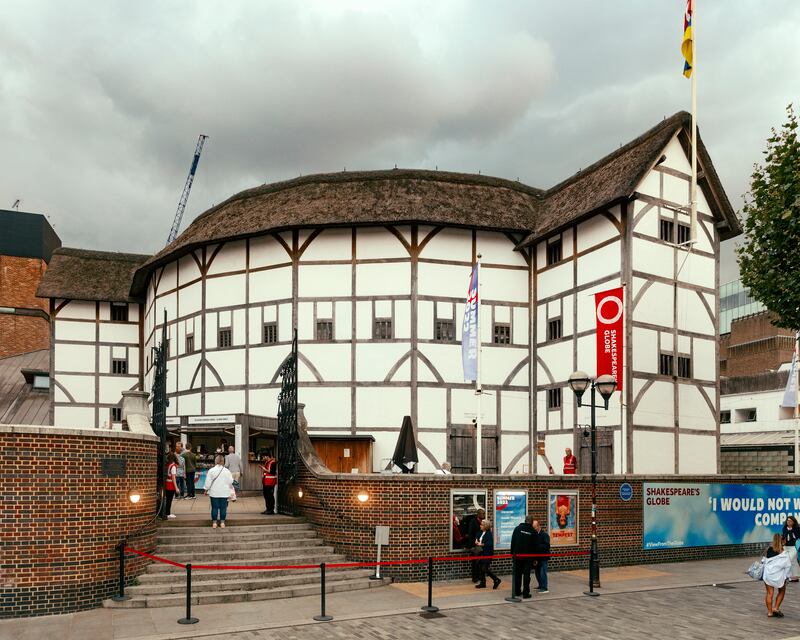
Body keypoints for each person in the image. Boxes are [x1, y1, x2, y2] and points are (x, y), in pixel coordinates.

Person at [763, 533, 792, 617]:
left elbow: (763, 561)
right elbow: (788, 567)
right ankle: (776, 607)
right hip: (779, 576)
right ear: (782, 541)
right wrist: (787, 577)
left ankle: (769, 612)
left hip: (768, 575)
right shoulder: (784, 553)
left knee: (769, 593)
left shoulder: (768, 550)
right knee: (782, 591)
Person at [204, 454, 235, 528]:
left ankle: (214, 523)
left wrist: (206, 489)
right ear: (223, 461)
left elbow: (208, 482)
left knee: (214, 508)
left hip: (214, 492)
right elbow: (231, 481)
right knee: (223, 508)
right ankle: (222, 523)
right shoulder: (227, 471)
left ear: (216, 461)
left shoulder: (211, 470)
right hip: (224, 492)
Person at [510, 515, 537, 598]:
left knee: (517, 574)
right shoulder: (533, 531)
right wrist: (535, 558)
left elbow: (513, 542)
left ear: (525, 520)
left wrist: (512, 554)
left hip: (517, 556)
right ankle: (526, 593)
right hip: (528, 558)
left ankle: (517, 591)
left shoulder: (517, 529)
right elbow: (535, 546)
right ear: (532, 522)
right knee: (526, 575)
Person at [474, 519, 501, 589]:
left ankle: (496, 579)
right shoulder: (481, 532)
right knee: (480, 567)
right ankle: (483, 583)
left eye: (482, 525)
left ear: (485, 526)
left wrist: (481, 544)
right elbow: (477, 535)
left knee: (484, 568)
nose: (480, 526)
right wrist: (476, 539)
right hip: (481, 553)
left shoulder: (489, 534)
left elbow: (489, 544)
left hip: (487, 553)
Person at [467, 508, 486, 583]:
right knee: (475, 562)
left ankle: (480, 576)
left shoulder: (483, 522)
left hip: (481, 544)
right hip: (475, 545)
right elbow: (470, 533)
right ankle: (475, 577)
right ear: (478, 514)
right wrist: (472, 545)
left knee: (481, 562)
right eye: (482, 513)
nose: (483, 515)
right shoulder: (473, 522)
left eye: (484, 513)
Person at [532, 519, 550, 593]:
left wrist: (537, 546)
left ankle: (544, 587)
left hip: (543, 557)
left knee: (543, 573)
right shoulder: (535, 534)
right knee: (537, 573)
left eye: (535, 527)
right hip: (537, 557)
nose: (534, 529)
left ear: (538, 526)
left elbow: (547, 545)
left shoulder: (544, 535)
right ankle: (540, 585)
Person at [782, 515, 800, 582]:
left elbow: (798, 537)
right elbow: (783, 536)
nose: (788, 522)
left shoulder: (797, 528)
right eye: (787, 520)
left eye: (790, 521)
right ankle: (795, 576)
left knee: (790, 559)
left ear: (793, 522)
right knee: (793, 561)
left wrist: (792, 531)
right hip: (786, 547)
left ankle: (789, 576)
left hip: (794, 546)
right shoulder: (784, 528)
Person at [163, 452, 179, 520]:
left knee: (167, 499)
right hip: (171, 485)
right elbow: (173, 478)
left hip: (167, 483)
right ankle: (168, 513)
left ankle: (167, 512)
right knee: (169, 500)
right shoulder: (173, 466)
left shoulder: (168, 464)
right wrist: (176, 488)